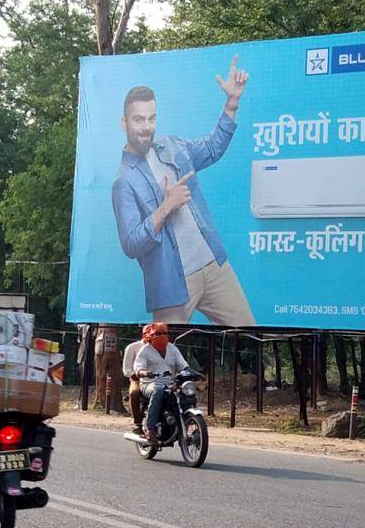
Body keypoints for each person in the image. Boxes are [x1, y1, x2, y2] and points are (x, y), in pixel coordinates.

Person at [110, 57, 257, 327]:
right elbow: (131, 244)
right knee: (161, 351)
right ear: (124, 123)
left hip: (212, 265)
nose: (146, 127)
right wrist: (167, 207)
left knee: (248, 335)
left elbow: (212, 148)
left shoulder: (172, 146)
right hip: (173, 281)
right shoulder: (124, 181)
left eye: (151, 118)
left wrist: (231, 103)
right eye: (139, 119)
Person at [134, 324, 192, 444]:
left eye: (164, 333)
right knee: (158, 390)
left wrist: (194, 373)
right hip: (149, 383)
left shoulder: (172, 348)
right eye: (158, 334)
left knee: (186, 394)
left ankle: (184, 422)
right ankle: (150, 429)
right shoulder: (145, 350)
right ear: (151, 335)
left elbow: (183, 365)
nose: (162, 336)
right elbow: (138, 367)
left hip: (170, 384)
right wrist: (144, 372)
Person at [121, 325, 153, 435]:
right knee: (134, 392)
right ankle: (138, 423)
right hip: (137, 379)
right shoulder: (132, 347)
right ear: (144, 335)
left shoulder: (163, 348)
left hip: (157, 379)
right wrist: (137, 376)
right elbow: (127, 370)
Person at [94, 326, 121, 412]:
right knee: (102, 376)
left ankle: (110, 403)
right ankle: (101, 400)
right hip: (101, 345)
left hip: (107, 349)